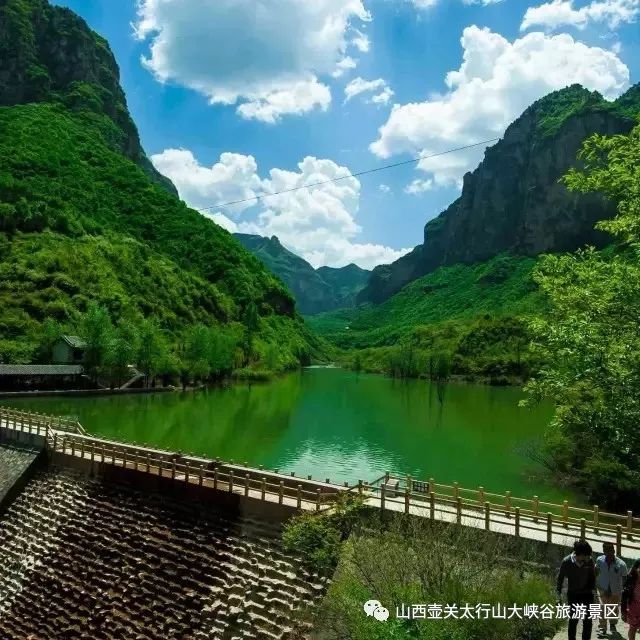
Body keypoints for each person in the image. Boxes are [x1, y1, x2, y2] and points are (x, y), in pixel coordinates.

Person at [557, 540, 597, 640]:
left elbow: (592, 578)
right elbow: (560, 579)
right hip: (573, 595)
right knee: (573, 621)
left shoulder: (589, 561)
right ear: (579, 554)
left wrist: (594, 593)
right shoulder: (567, 562)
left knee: (588, 621)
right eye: (586, 555)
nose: (587, 558)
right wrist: (558, 597)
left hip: (587, 595)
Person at [595, 541, 628, 637]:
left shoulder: (621, 564)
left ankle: (612, 625)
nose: (608, 553)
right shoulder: (599, 560)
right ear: (604, 551)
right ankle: (602, 627)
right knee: (602, 608)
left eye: (610, 551)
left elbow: (625, 578)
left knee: (613, 608)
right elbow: (595, 572)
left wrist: (624, 592)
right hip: (602, 588)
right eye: (606, 551)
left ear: (613, 551)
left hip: (615, 590)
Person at [622, 560, 640, 640]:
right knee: (633, 628)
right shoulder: (631, 580)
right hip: (633, 610)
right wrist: (623, 611)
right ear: (636, 568)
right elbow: (624, 596)